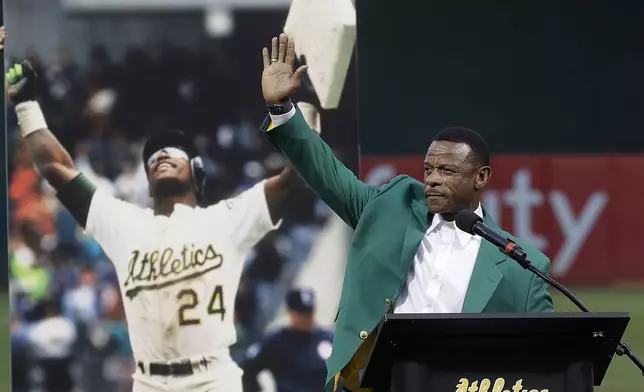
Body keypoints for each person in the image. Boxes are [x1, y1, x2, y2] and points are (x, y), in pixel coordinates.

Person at [258, 33, 555, 392]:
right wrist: (283, 111)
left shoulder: (522, 268)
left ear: (481, 178)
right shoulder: (390, 209)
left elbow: (546, 361)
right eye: (429, 169)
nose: (432, 179)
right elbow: (327, 173)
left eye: (446, 171)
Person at [5, 58, 299, 392]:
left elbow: (294, 180)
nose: (161, 155)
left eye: (174, 152)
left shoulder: (226, 218)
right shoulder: (124, 223)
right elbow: (56, 167)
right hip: (149, 382)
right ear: (146, 183)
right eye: (153, 156)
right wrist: (27, 105)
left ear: (197, 173)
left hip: (213, 379)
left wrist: (284, 110)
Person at [241, 288, 334, 392]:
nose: (306, 319)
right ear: (290, 313)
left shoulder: (328, 340)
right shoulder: (277, 341)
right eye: (301, 315)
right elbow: (249, 366)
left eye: (309, 314)